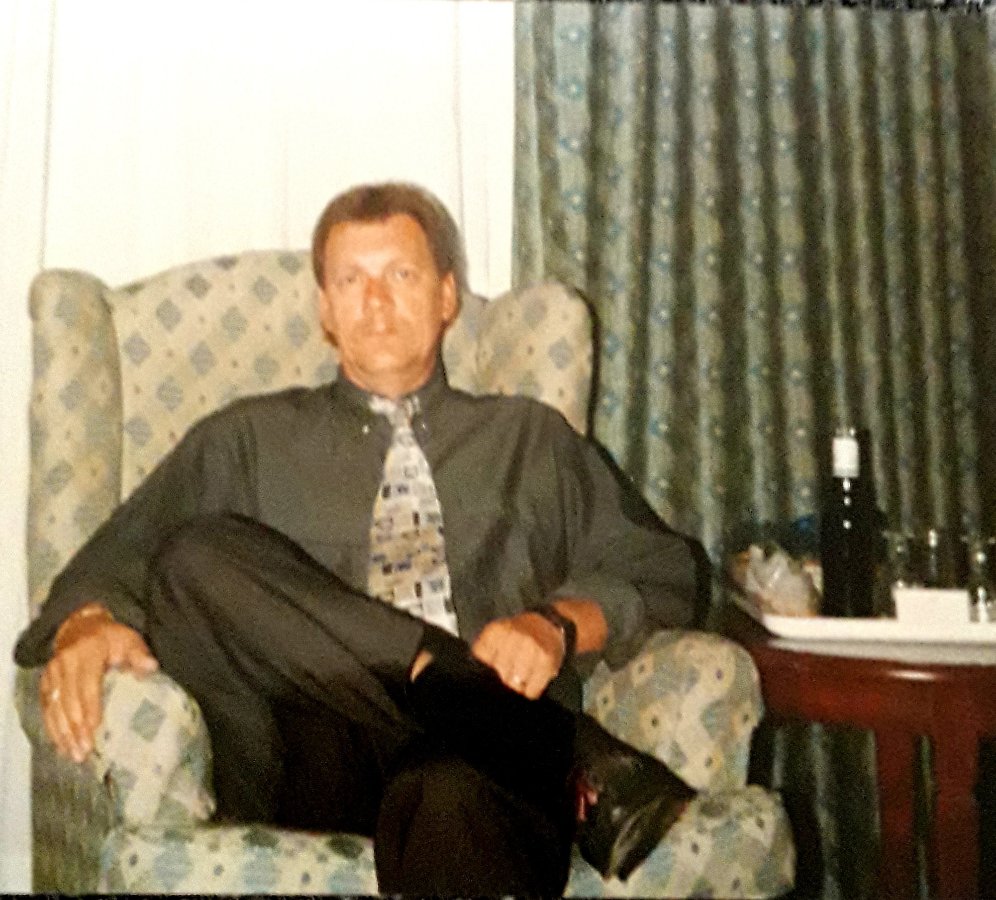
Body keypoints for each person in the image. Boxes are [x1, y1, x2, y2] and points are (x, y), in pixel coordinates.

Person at [15, 182, 698, 895]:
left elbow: (665, 570)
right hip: (309, 765)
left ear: (446, 296)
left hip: (482, 776)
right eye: (350, 281)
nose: (375, 301)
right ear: (325, 310)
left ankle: (486, 721)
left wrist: (556, 625)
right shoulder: (246, 439)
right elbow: (115, 560)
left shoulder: (529, 439)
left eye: (400, 275)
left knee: (451, 794)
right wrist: (88, 622)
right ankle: (533, 734)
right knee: (195, 554)